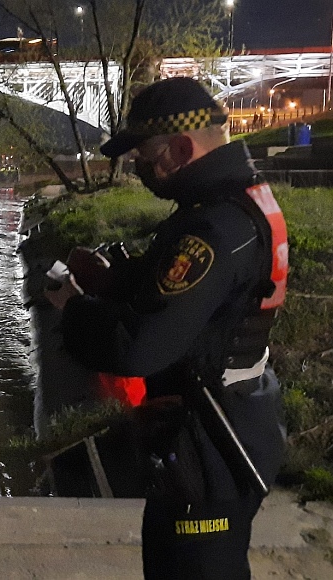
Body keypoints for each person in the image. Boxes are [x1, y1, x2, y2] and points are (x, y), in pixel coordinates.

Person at [45, 77, 287, 579]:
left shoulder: (215, 229)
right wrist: (115, 282)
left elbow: (139, 347)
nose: (135, 166)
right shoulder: (230, 205)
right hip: (227, 414)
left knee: (195, 568)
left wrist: (72, 307)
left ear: (180, 148)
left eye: (142, 155)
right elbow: (196, 301)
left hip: (210, 442)